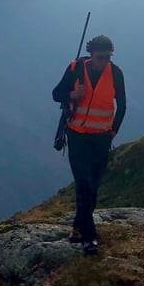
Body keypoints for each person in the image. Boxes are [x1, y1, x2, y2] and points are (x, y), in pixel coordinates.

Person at [51, 34, 126, 256]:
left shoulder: (115, 73)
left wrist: (113, 131)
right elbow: (56, 94)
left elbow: (122, 105)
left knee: (92, 185)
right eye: (101, 57)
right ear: (91, 54)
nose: (105, 61)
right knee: (85, 183)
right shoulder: (75, 68)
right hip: (77, 135)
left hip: (102, 138)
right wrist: (73, 93)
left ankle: (77, 226)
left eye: (108, 57)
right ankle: (89, 237)